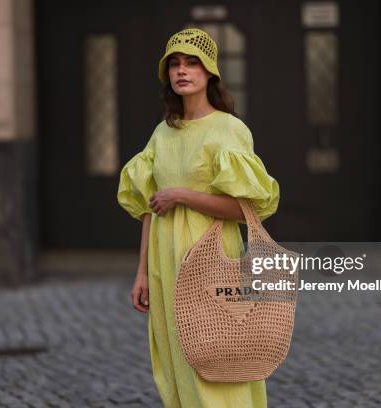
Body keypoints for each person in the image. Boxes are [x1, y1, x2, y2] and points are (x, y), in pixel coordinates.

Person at [116, 28, 280, 408]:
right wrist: (141, 272)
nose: (182, 71)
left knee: (217, 356)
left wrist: (183, 194)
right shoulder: (162, 134)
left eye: (192, 62)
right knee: (177, 362)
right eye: (174, 63)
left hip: (211, 260)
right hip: (164, 263)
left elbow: (247, 209)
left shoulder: (228, 129)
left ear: (210, 72)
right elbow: (147, 208)